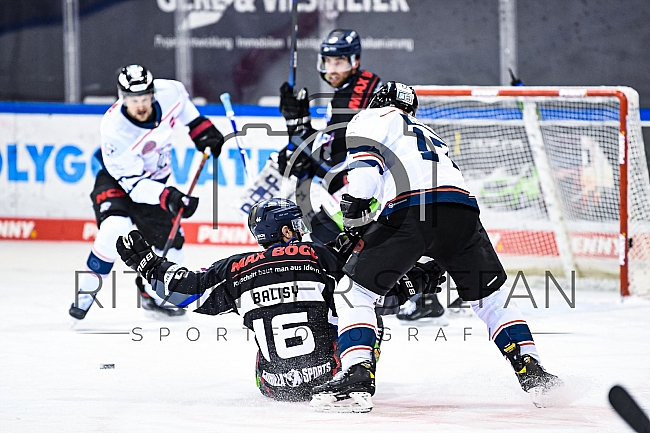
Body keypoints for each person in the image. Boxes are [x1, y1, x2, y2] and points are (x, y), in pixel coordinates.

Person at [310, 82, 562, 412]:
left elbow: (365, 176)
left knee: (353, 292)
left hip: (411, 209)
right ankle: (534, 373)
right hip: (462, 211)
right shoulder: (426, 132)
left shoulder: (370, 118)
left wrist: (354, 215)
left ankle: (356, 375)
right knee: (491, 299)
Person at [115, 198, 444, 404]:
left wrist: (148, 264)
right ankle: (354, 373)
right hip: (328, 376)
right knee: (358, 307)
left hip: (274, 387)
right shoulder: (319, 255)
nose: (300, 230)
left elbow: (187, 292)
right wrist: (416, 282)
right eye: (295, 225)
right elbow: (374, 297)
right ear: (286, 232)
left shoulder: (235, 269)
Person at [68, 64, 224, 320]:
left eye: (144, 98)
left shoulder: (169, 92)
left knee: (173, 249)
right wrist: (170, 197)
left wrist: (202, 130)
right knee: (114, 228)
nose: (140, 105)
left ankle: (150, 291)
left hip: (155, 182)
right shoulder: (115, 129)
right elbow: (135, 187)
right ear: (122, 98)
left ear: (152, 94)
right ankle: (85, 294)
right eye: (133, 100)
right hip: (118, 181)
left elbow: (185, 107)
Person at [277, 29, 382, 245]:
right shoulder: (355, 86)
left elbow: (334, 158)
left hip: (367, 199)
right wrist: (299, 126)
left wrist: (298, 132)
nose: (332, 70)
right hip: (363, 191)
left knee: (320, 240)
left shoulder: (354, 96)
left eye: (339, 63)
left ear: (355, 61)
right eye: (328, 62)